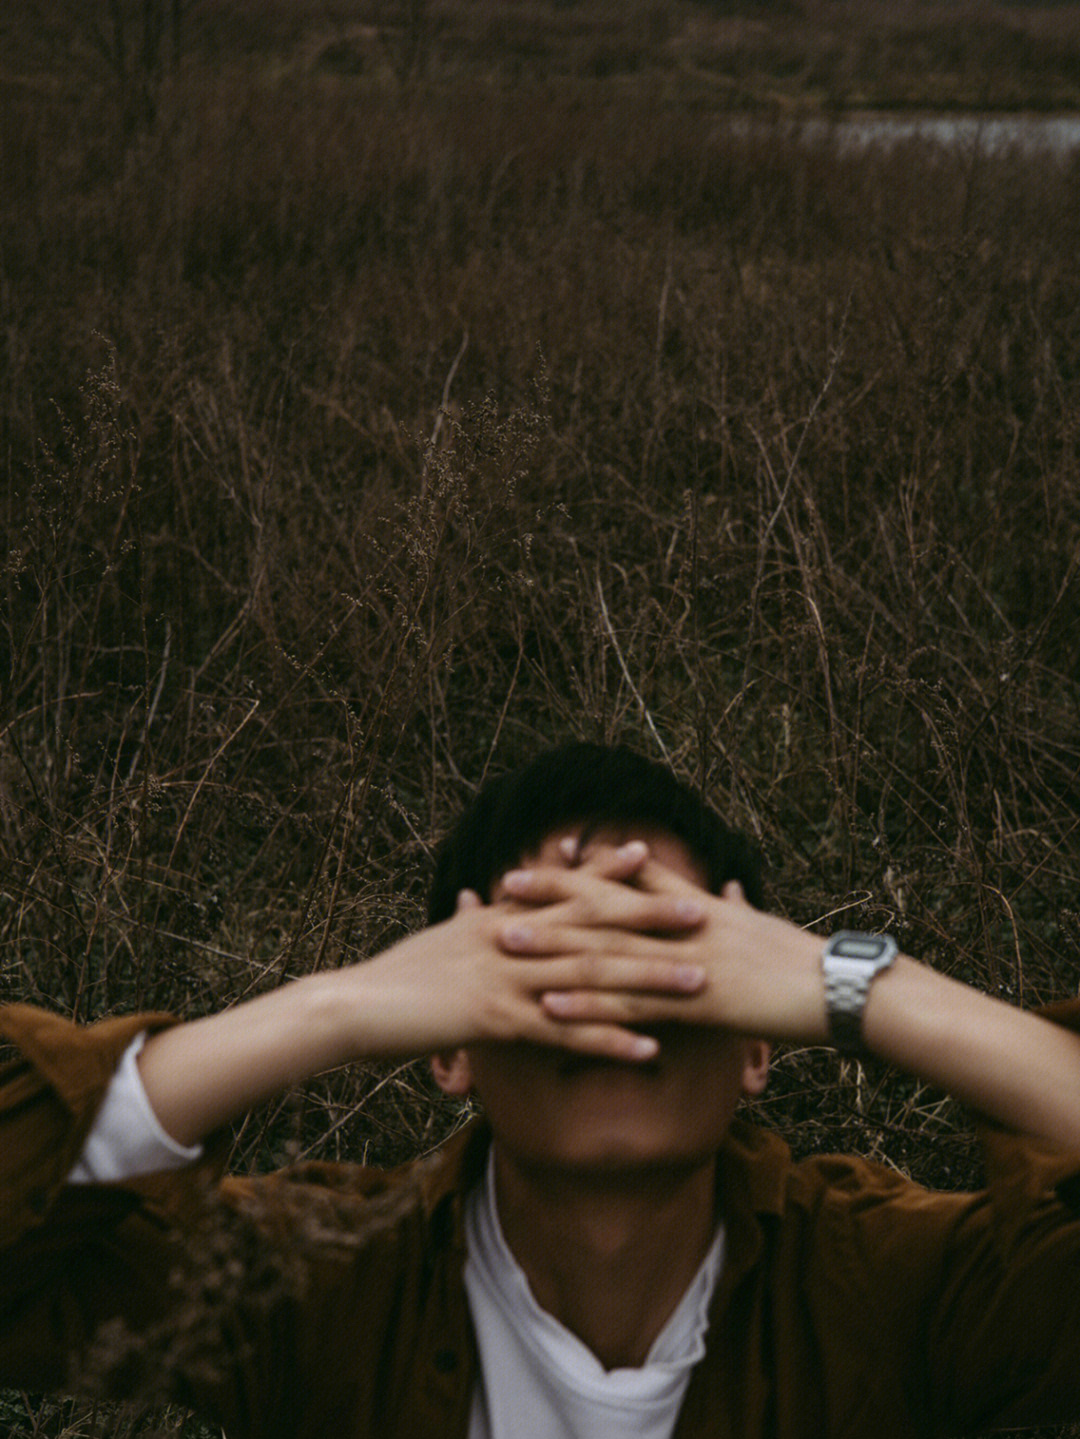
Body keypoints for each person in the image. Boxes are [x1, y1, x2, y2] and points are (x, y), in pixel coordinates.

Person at [2, 740, 1080, 1439]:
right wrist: (332, 1007)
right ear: (447, 1039)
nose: (615, 1017)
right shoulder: (321, 1284)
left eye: (669, 953)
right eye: (540, 964)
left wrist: (855, 984)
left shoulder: (886, 1286)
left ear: (762, 1042)